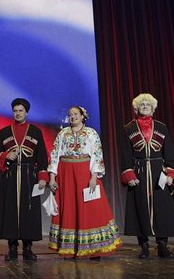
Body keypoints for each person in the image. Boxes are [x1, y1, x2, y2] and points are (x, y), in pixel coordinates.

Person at [48, 106, 122, 259]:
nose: (73, 117)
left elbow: (97, 154)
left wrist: (94, 176)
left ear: (82, 116)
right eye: (70, 115)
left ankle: (95, 248)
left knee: (90, 208)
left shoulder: (91, 133)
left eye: (76, 114)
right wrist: (52, 177)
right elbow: (54, 154)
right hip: (66, 173)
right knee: (69, 208)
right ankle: (70, 249)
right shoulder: (63, 133)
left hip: (84, 173)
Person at [120, 94, 174, 259]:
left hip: (158, 172)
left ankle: (162, 246)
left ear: (153, 108)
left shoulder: (161, 127)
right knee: (139, 208)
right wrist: (129, 174)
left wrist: (170, 173)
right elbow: (126, 154)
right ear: (136, 109)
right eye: (142, 104)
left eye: (148, 104)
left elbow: (169, 151)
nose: (145, 106)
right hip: (139, 171)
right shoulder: (129, 128)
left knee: (162, 209)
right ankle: (144, 246)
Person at [0, 98, 49, 261]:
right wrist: (5, 155)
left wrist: (42, 177)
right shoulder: (4, 132)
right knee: (10, 211)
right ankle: (12, 248)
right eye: (15, 111)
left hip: (29, 176)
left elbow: (42, 156)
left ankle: (28, 248)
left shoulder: (35, 131)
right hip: (10, 176)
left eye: (20, 111)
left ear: (26, 112)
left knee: (28, 212)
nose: (17, 113)